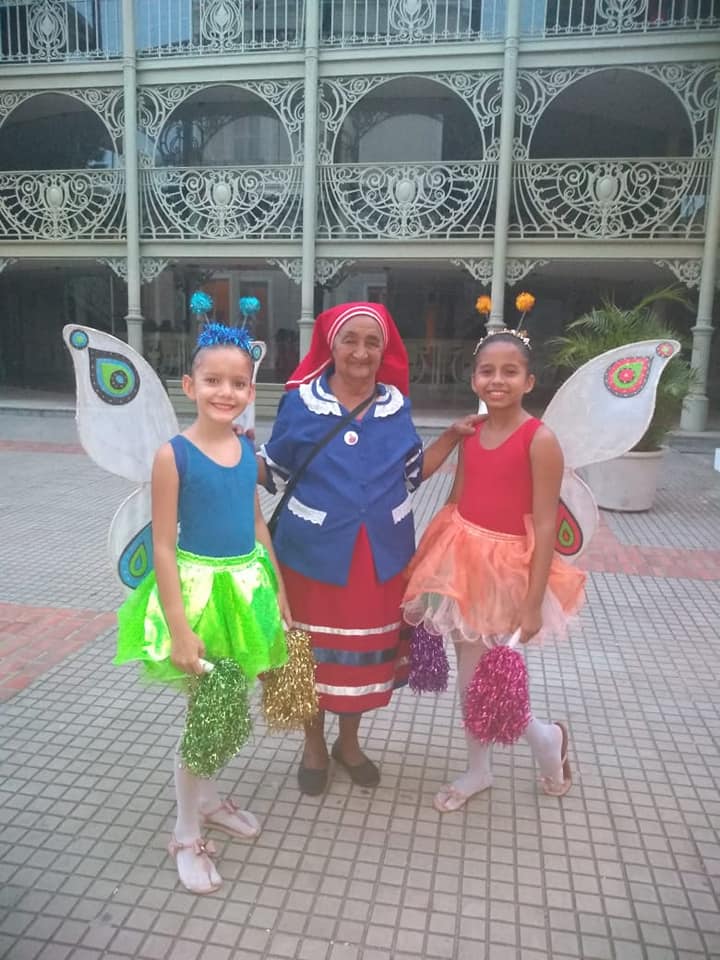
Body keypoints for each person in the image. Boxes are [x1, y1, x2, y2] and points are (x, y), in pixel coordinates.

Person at [257, 302, 477, 795]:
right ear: (331, 346)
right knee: (308, 659)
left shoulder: (395, 406)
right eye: (350, 340)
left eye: (372, 342)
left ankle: (349, 744)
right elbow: (274, 469)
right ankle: (314, 745)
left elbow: (412, 473)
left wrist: (451, 437)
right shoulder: (301, 403)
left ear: (384, 350)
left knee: (362, 660)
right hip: (310, 557)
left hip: (380, 558)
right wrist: (220, 453)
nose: (361, 351)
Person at [115, 322, 291, 894]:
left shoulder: (246, 451)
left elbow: (257, 522)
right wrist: (179, 628)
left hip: (245, 595)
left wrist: (279, 591)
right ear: (189, 386)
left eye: (238, 382)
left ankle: (209, 800)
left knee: (226, 704)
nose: (225, 391)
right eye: (213, 380)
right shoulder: (174, 456)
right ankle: (185, 832)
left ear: (250, 390)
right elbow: (163, 546)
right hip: (197, 598)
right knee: (205, 717)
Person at [402, 329, 587, 813]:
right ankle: (486, 765)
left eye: (510, 371)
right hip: (461, 562)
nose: (497, 380)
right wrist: (430, 560)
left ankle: (544, 741)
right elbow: (455, 499)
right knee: (474, 677)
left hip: (507, 573)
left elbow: (545, 524)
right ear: (473, 379)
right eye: (487, 371)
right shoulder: (472, 434)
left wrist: (533, 601)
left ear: (530, 381)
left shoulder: (540, 440)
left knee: (485, 680)